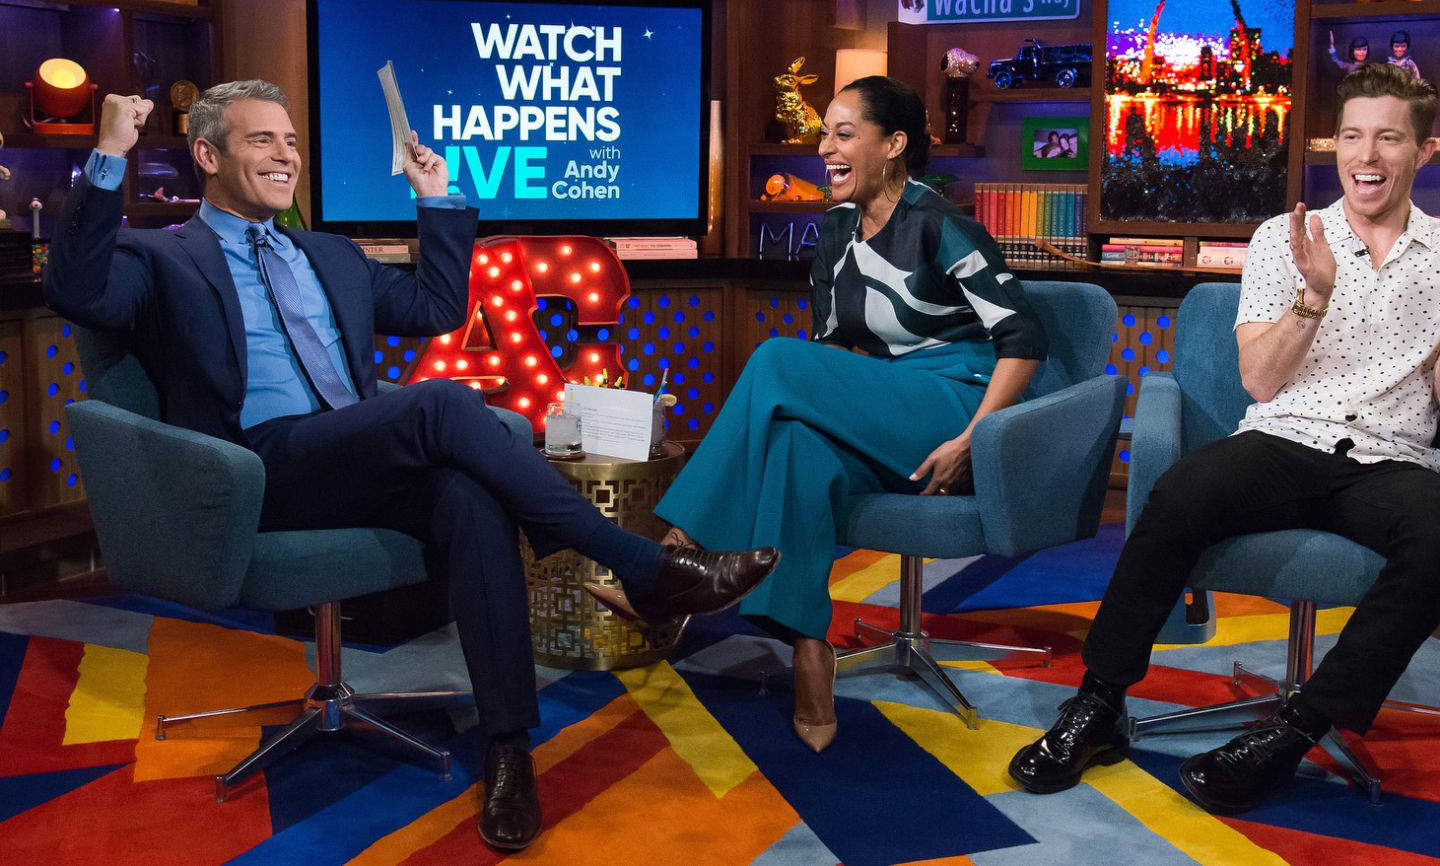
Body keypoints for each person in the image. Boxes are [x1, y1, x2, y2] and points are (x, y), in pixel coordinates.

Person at [43, 82, 778, 854]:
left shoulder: (327, 252)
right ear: (207, 154)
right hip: (255, 468)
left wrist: (438, 199)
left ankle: (506, 750)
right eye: (262, 140)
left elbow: (432, 309)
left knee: (469, 498)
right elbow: (77, 290)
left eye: (290, 140)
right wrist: (110, 155)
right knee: (438, 404)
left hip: (352, 453)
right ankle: (640, 566)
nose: (285, 155)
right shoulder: (160, 255)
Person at [1007, 63, 1440, 814]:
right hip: (1286, 437)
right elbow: (1261, 383)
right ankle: (1099, 707)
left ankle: (1290, 734)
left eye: (1389, 138)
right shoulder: (1287, 238)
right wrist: (1313, 296)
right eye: (1354, 136)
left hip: (1392, 456)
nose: (1367, 155)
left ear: (1423, 152)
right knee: (1181, 493)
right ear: (1336, 145)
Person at [592, 76, 1048, 753]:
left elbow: (1025, 338)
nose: (823, 149)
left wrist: (971, 438)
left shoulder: (943, 225)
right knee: (799, 444)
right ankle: (811, 651)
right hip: (885, 395)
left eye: (843, 134)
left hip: (957, 401)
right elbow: (835, 348)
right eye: (822, 134)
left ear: (893, 145)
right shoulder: (834, 229)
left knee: (775, 360)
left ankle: (668, 562)